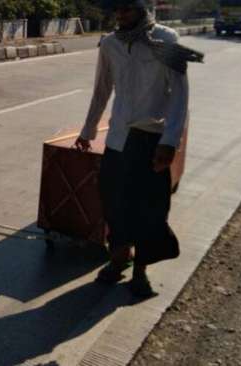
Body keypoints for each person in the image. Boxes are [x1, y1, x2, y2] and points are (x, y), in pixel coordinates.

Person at [75, 0, 203, 297]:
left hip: (151, 140)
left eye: (128, 9)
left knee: (150, 209)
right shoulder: (109, 44)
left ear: (143, 10)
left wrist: (170, 141)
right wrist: (88, 130)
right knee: (114, 203)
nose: (121, 14)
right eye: (118, 10)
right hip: (118, 139)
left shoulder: (167, 40)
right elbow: (102, 89)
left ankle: (141, 271)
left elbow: (179, 94)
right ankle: (119, 258)